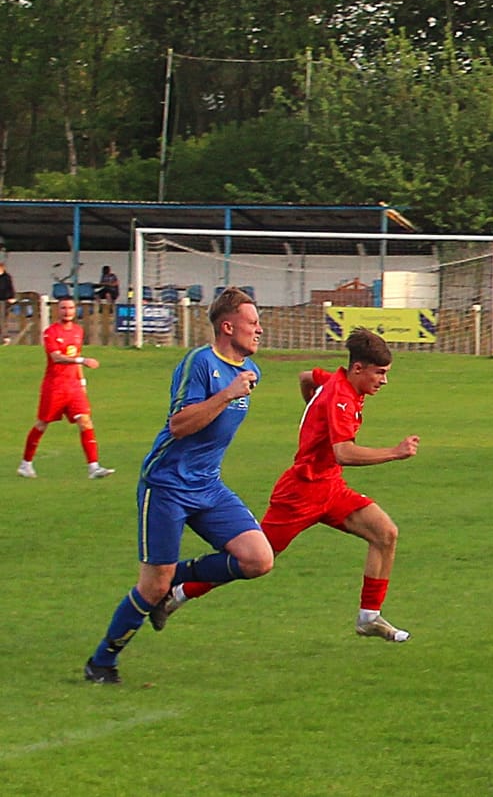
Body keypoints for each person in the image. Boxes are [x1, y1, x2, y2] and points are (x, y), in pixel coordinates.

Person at [150, 328, 421, 644]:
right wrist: (395, 452)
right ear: (358, 369)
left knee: (385, 533)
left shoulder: (336, 379)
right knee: (251, 560)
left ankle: (369, 617)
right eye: (380, 373)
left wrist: (311, 410)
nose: (384, 380)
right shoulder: (341, 399)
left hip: (329, 487)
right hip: (301, 493)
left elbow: (307, 376)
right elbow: (343, 452)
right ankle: (177, 590)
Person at [83, 287, 274, 684]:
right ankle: (101, 662)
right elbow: (179, 424)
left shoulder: (251, 372)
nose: (260, 330)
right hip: (166, 484)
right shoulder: (200, 363)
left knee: (258, 558)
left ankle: (178, 578)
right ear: (227, 326)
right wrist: (226, 394)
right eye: (252, 323)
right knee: (152, 586)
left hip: (208, 485)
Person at [18, 298, 115, 479]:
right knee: (42, 423)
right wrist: (82, 360)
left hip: (74, 387)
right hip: (54, 387)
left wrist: (82, 382)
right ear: (58, 310)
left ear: (75, 310)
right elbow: (56, 357)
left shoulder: (78, 331)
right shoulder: (51, 332)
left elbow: (75, 355)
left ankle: (94, 467)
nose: (67, 311)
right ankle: (26, 464)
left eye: (70, 308)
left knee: (85, 421)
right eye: (63, 308)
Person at [0, 261, 15, 345]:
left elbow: (10, 288)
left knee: (2, 319)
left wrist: (11, 297)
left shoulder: (6, 277)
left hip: (3, 300)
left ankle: (4, 337)